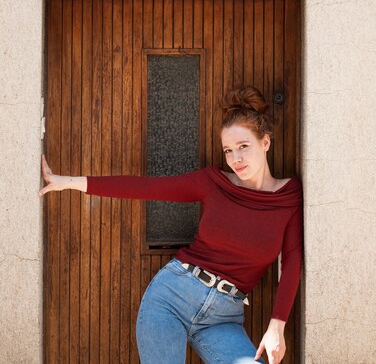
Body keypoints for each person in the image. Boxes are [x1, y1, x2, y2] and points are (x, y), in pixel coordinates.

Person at [39, 85, 303, 364]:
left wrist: (277, 326)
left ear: (265, 142)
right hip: (171, 298)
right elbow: (147, 188)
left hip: (223, 319)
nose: (235, 158)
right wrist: (69, 182)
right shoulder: (213, 183)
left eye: (243, 146)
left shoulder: (288, 196)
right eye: (228, 150)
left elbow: (292, 260)